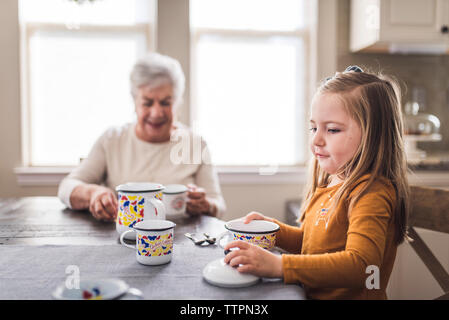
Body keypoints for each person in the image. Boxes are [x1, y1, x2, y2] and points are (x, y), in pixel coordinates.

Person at [223, 66, 410, 300]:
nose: (316, 140)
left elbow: (362, 267)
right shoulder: (332, 183)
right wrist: (273, 231)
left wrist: (280, 266)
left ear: (373, 135)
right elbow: (315, 246)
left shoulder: (370, 192)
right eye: (313, 127)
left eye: (332, 129)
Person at [58, 52, 226, 221]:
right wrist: (93, 193)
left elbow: (218, 205)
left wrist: (207, 205)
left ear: (177, 103)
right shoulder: (112, 139)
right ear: (135, 102)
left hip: (181, 239)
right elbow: (66, 188)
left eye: (166, 103)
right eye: (147, 102)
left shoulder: (194, 144)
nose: (156, 112)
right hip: (123, 238)